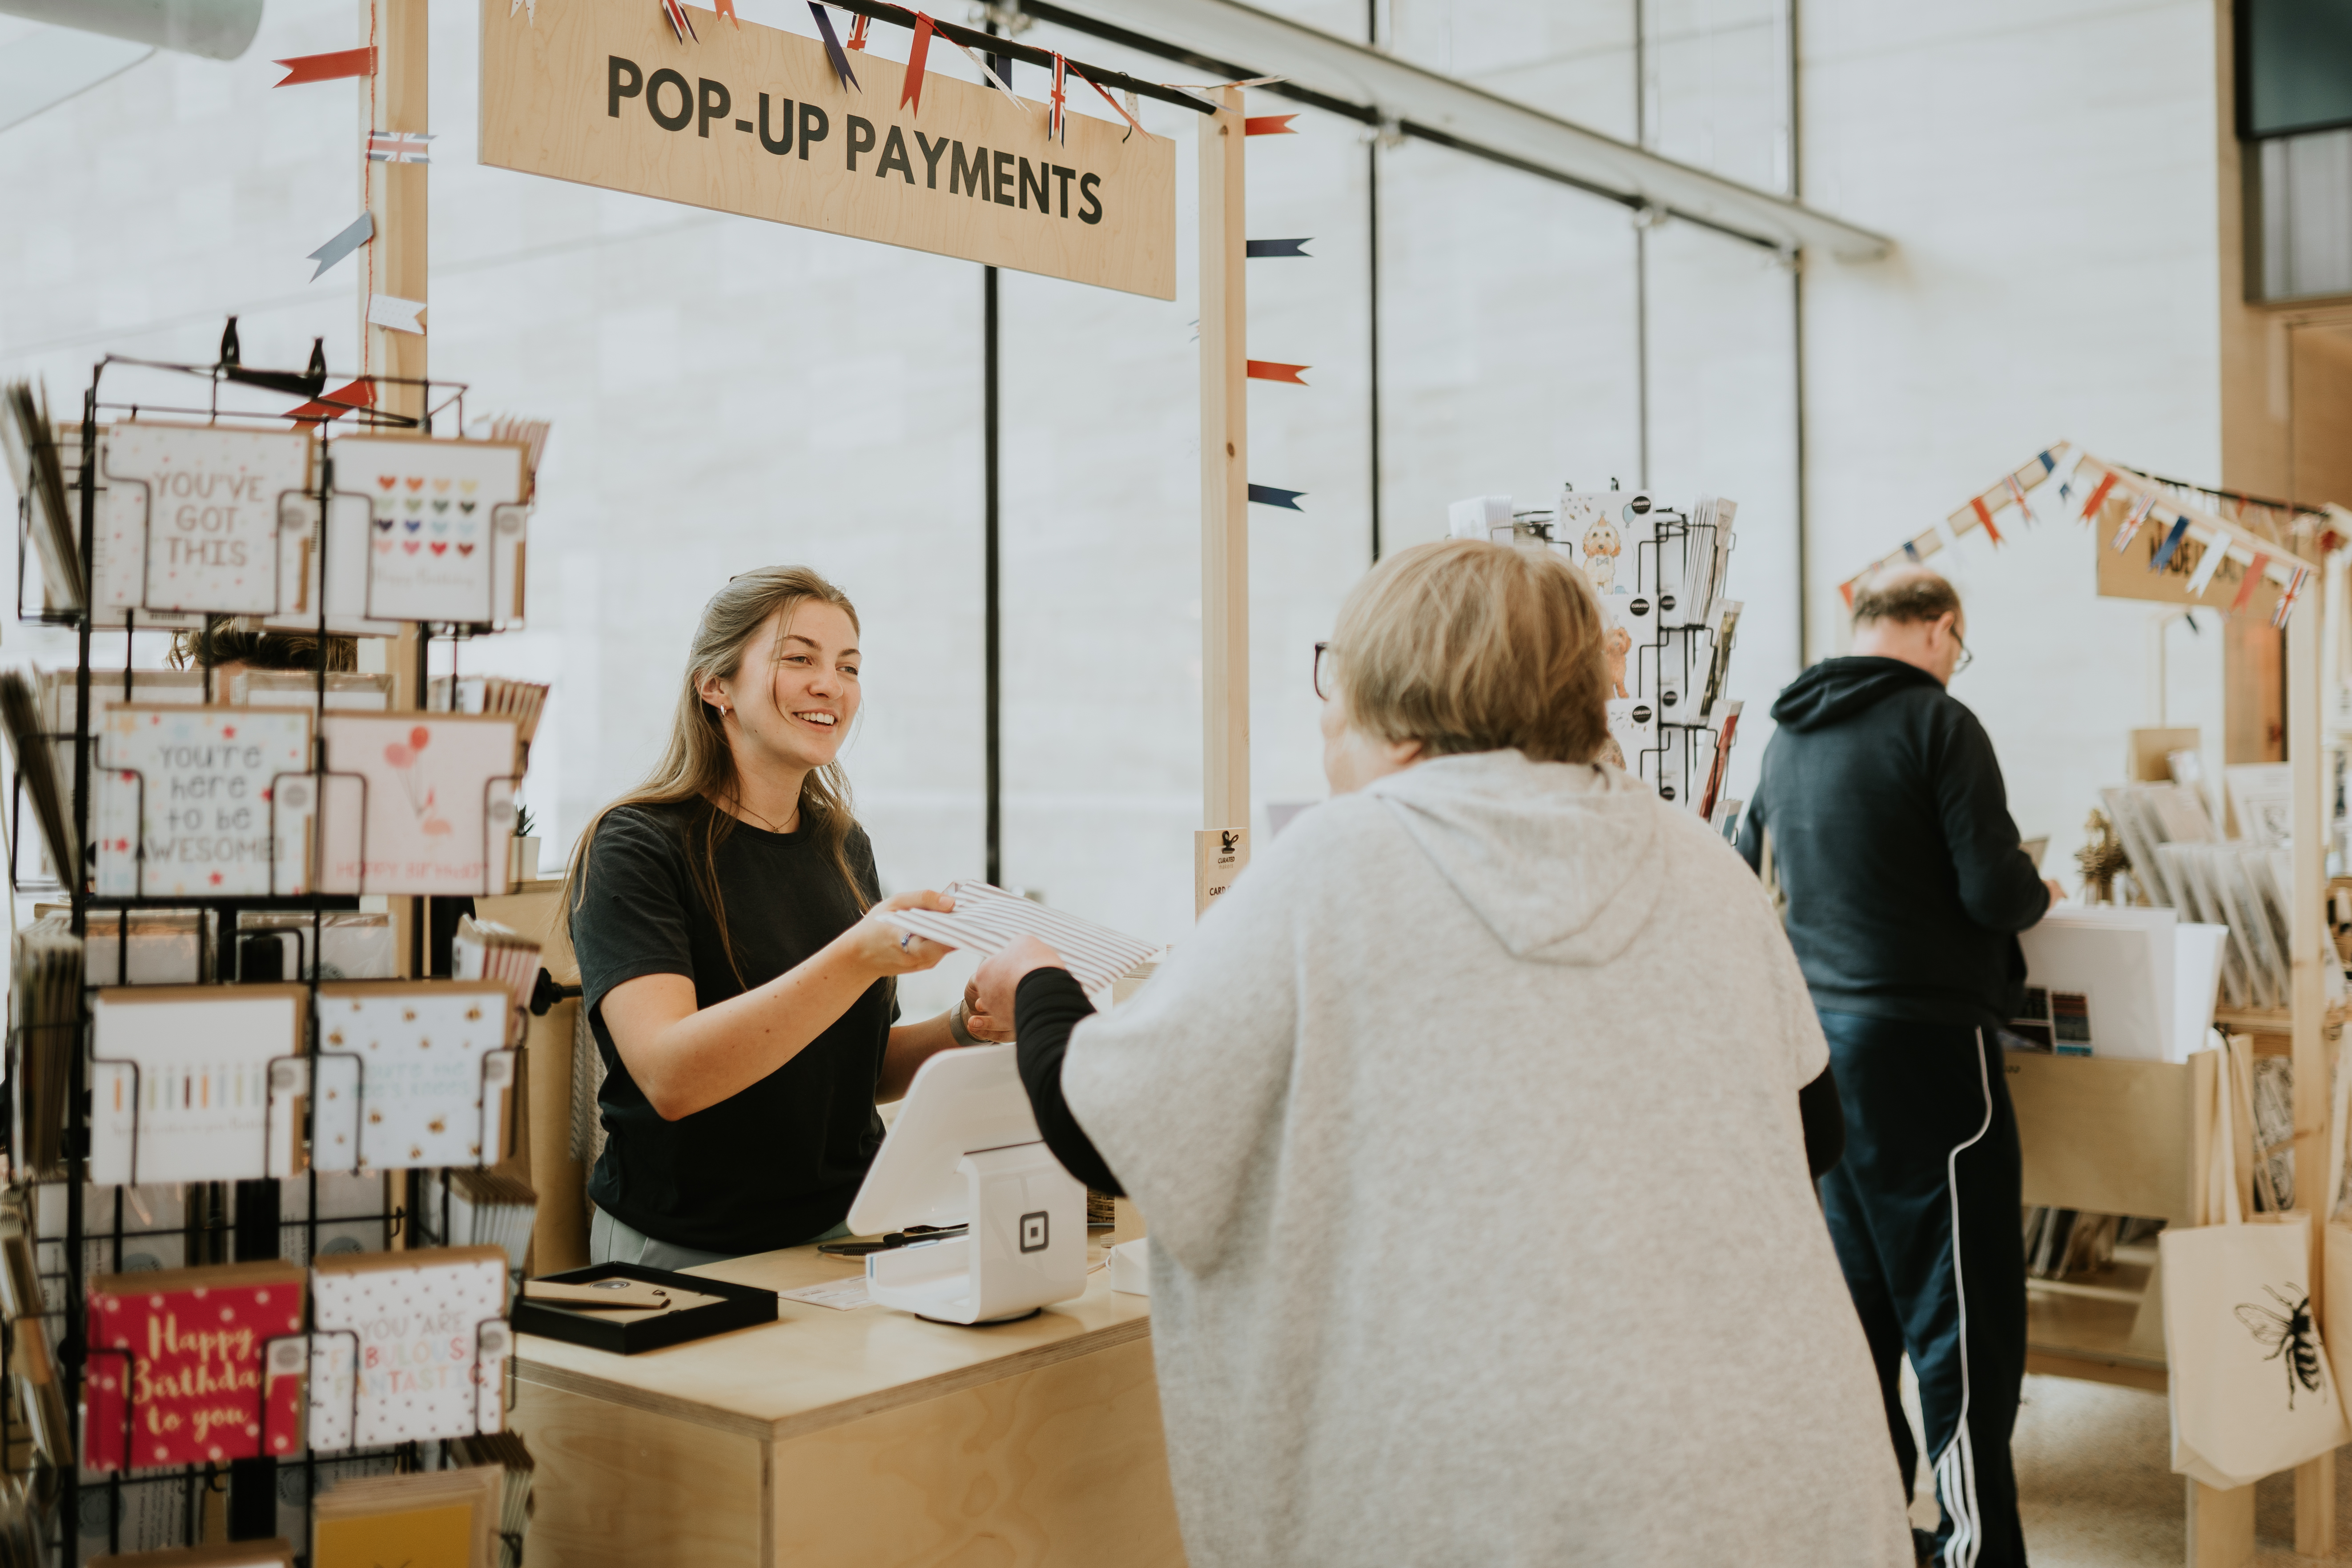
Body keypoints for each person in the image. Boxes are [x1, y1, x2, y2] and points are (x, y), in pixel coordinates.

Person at [972, 540, 1912, 1568]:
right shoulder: (1695, 857)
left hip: (1499, 1491)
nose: (1326, 713)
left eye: (1339, 675)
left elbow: (1104, 1124)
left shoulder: (1339, 859)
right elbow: (1809, 1127)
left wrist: (1034, 981)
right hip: (1780, 1463)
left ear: (1402, 700)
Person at [1736, 566, 2060, 1568]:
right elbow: (1991, 889)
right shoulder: (1939, 724)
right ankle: (1971, 1550)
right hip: (1929, 1055)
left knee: (1857, 1310)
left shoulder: (1789, 731)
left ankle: (1874, 1533)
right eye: (1957, 646)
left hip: (1822, 1052)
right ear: (1941, 628)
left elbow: (1742, 865)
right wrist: (2036, 885)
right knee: (1959, 1316)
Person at [564, 566, 1006, 1270]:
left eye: (848, 666)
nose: (830, 684)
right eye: (799, 658)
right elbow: (670, 1077)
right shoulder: (634, 845)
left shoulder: (841, 844)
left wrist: (964, 1024)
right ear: (716, 685)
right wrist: (859, 954)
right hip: (687, 1249)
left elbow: (848, 1069)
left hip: (845, 1234)